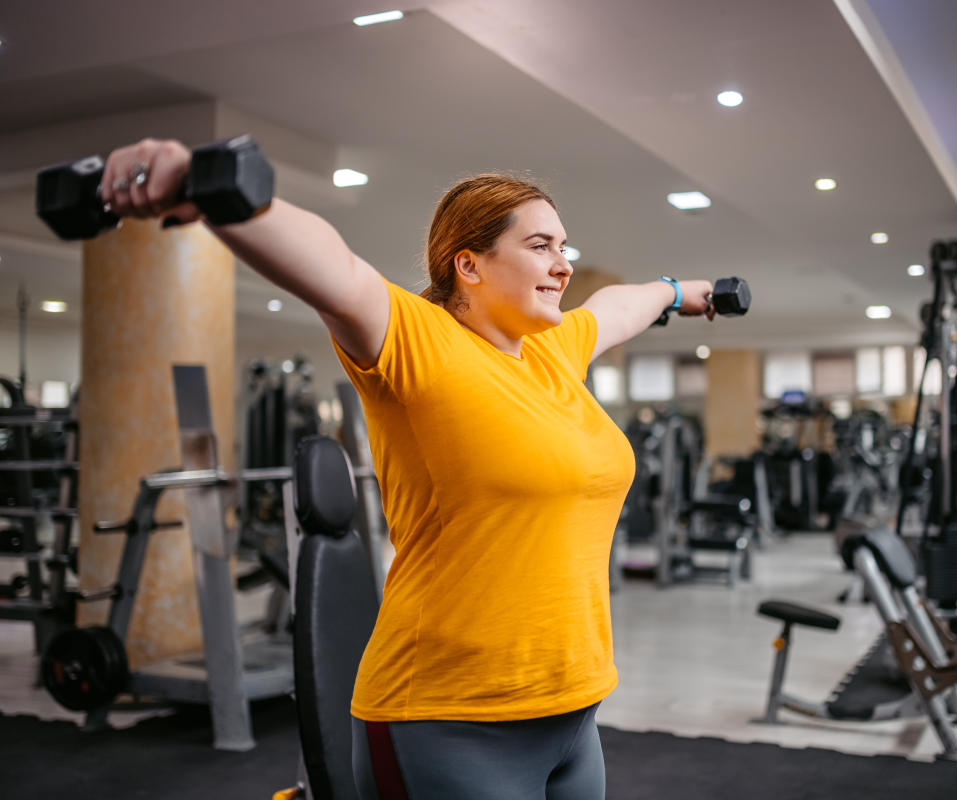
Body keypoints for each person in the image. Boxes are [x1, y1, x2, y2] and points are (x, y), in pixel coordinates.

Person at [100, 138, 719, 799]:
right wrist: (215, 190)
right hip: (448, 718)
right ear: (469, 265)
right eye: (540, 245)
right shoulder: (419, 341)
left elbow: (621, 304)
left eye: (563, 247)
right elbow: (334, 269)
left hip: (573, 711)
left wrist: (683, 292)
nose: (562, 265)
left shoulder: (553, 352)